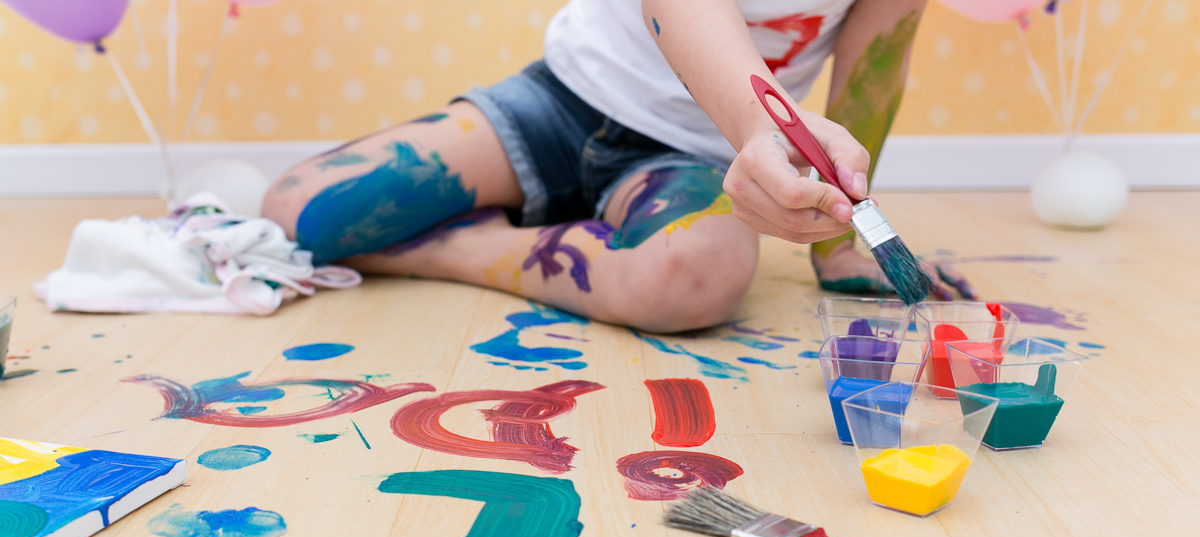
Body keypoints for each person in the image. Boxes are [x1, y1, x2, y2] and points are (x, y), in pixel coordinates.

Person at [262, 0, 971, 334]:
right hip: (558, 104)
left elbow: (876, 66)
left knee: (692, 280)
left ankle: (458, 244)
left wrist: (846, 238)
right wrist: (762, 127)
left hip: (689, 160)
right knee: (301, 211)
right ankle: (562, 227)